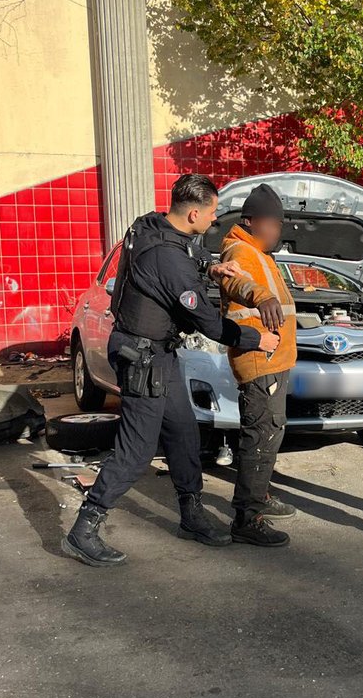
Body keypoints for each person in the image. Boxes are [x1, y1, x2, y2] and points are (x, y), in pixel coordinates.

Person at [62, 173, 279, 568]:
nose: (215, 221)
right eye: (212, 214)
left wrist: (212, 270)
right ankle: (84, 528)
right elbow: (207, 324)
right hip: (143, 359)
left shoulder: (149, 225)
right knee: (136, 449)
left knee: (183, 432)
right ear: (193, 211)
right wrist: (254, 340)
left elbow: (186, 257)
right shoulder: (168, 259)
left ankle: (191, 514)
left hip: (158, 354)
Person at [214, 182, 298, 548]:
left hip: (274, 361)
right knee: (259, 437)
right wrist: (261, 296)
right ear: (250, 222)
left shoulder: (261, 253)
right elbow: (239, 283)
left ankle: (259, 495)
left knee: (270, 432)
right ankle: (247, 518)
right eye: (273, 224)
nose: (278, 231)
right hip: (259, 361)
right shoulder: (239, 251)